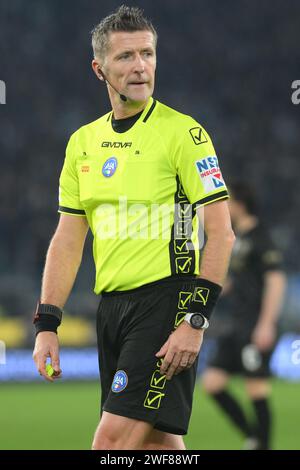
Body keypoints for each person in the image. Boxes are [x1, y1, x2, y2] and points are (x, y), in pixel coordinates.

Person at [32, 5, 235, 450]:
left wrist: (195, 320)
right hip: (112, 311)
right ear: (99, 68)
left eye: (147, 53)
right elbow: (69, 238)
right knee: (157, 447)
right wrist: (47, 323)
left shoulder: (184, 134)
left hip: (166, 303)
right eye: (126, 57)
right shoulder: (82, 143)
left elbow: (220, 233)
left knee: (111, 445)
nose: (141, 66)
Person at [202, 182, 286, 450]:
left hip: (255, 324)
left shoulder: (261, 238)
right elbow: (237, 282)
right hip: (237, 325)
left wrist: (266, 324)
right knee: (212, 383)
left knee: (256, 387)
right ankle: (253, 438)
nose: (223, 207)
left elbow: (276, 280)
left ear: (238, 203)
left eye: (226, 201)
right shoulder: (240, 239)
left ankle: (262, 444)